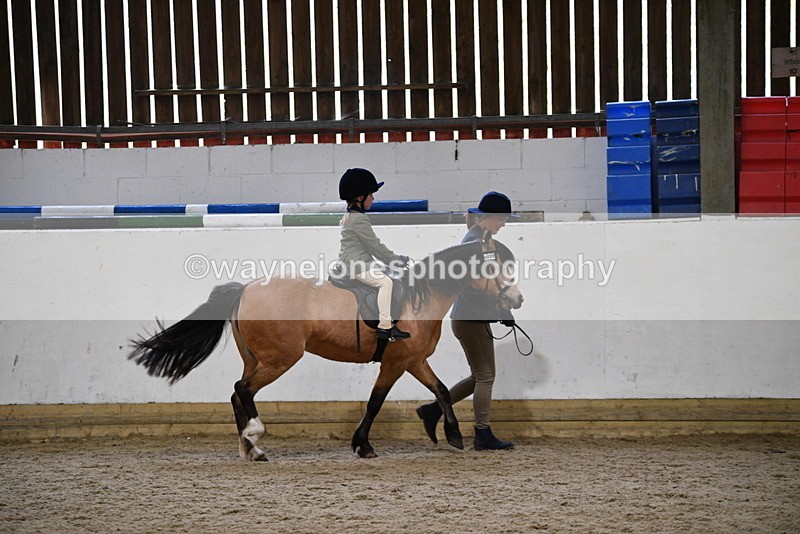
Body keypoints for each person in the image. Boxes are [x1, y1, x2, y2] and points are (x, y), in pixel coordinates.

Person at [416, 191, 519, 450]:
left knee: (479, 377)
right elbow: (475, 285)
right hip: (470, 318)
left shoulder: (480, 240)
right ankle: (482, 433)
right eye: (502, 219)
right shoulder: (474, 244)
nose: (504, 224)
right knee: (486, 377)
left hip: (471, 317)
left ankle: (434, 410)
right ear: (489, 218)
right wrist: (500, 307)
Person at [338, 168, 411, 341]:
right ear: (360, 198)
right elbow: (375, 245)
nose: (373, 198)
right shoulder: (359, 219)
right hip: (357, 265)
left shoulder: (350, 216)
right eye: (370, 194)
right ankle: (385, 327)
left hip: (358, 261)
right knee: (386, 283)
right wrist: (395, 259)